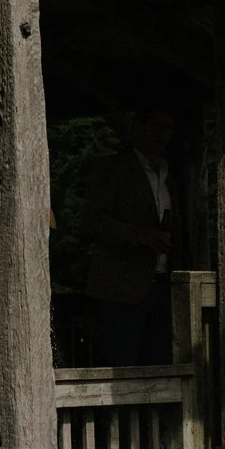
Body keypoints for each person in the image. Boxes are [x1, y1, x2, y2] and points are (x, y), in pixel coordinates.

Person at [81, 109, 176, 367]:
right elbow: (91, 219)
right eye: (156, 127)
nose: (162, 135)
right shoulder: (115, 169)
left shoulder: (170, 173)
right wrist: (137, 236)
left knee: (159, 364)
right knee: (122, 366)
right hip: (120, 287)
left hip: (161, 282)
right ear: (138, 128)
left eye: (167, 129)